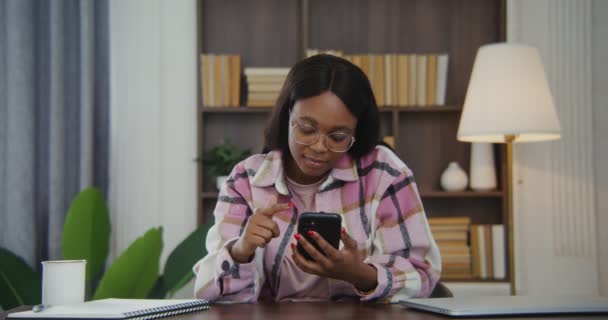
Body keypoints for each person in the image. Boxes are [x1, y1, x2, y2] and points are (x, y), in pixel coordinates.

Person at [193, 54, 440, 303]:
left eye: (338, 136)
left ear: (357, 130)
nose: (320, 147)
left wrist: (359, 274)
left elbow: (423, 277)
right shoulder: (246, 180)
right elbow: (209, 294)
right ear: (288, 115)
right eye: (307, 129)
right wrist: (240, 251)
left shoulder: (385, 173)